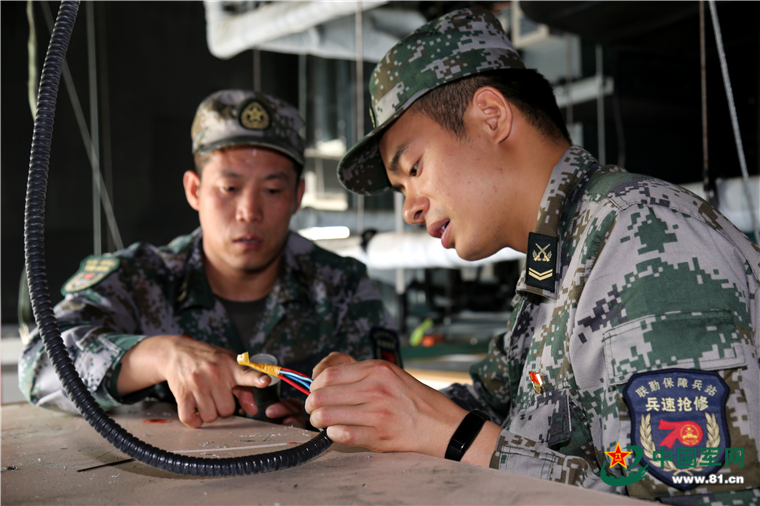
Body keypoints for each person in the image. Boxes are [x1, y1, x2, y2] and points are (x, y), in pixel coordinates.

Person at [305, 8, 760, 503]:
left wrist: (456, 438)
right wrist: (361, 405)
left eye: (414, 169)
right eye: (400, 189)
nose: (410, 209)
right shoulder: (556, 254)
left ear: (492, 116)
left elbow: (697, 497)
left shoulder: (647, 242)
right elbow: (494, 404)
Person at [19, 89, 400, 429]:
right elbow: (38, 364)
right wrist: (157, 356)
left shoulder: (341, 285)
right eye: (229, 188)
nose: (249, 211)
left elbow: (388, 401)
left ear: (297, 196)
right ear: (194, 190)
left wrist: (317, 422)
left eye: (272, 189)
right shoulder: (141, 278)